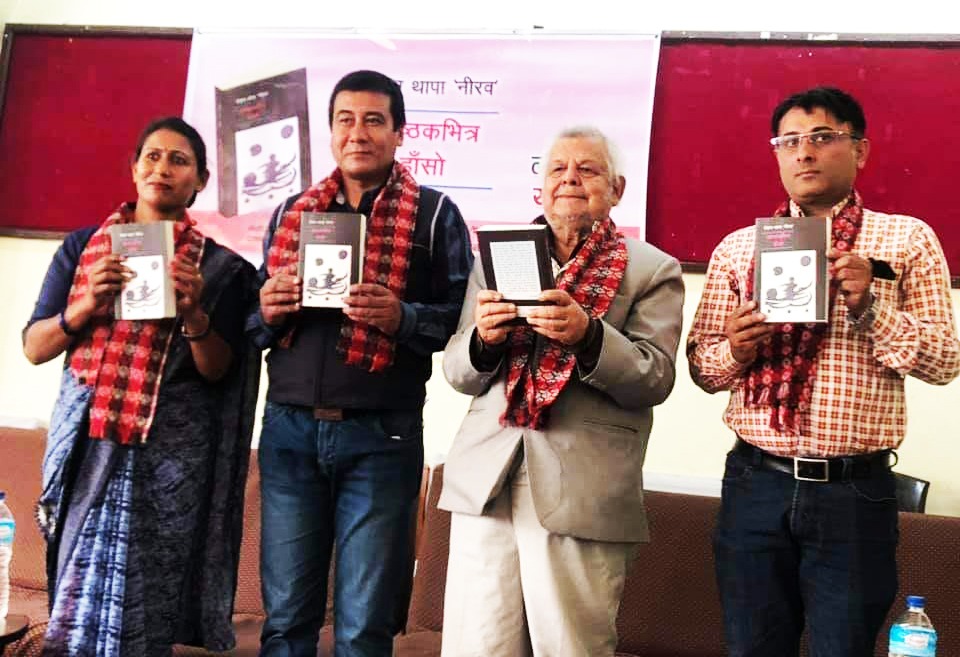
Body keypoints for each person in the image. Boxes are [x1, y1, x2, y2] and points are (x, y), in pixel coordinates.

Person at [687, 86, 960, 657]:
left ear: (860, 150)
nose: (804, 152)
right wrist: (736, 350)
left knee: (843, 648)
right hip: (755, 483)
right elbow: (703, 369)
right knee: (751, 647)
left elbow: (944, 362)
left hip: (853, 493)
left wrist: (871, 307)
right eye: (789, 142)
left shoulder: (906, 240)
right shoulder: (739, 249)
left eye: (822, 137)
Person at [247, 70, 472, 657]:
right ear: (330, 131)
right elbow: (251, 327)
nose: (358, 133)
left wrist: (403, 317)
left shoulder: (435, 215)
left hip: (382, 435)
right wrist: (267, 309)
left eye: (374, 120)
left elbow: (463, 319)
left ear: (400, 133)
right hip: (290, 431)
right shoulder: (291, 212)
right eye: (345, 120)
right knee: (285, 621)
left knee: (365, 627)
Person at [438, 126, 685, 657]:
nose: (569, 179)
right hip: (487, 477)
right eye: (557, 169)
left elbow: (655, 377)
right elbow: (458, 372)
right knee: (476, 644)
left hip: (581, 486)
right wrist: (483, 340)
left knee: (569, 646)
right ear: (541, 187)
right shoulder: (497, 258)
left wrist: (589, 335)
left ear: (616, 189)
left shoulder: (652, 269)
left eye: (587, 170)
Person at [22, 116, 261, 656]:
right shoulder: (83, 249)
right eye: (152, 157)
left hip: (171, 464)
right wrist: (86, 305)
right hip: (90, 449)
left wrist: (194, 312)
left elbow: (219, 372)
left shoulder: (220, 269)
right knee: (76, 597)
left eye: (179, 160)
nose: (162, 169)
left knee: (149, 602)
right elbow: (34, 346)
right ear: (133, 170)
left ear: (200, 180)